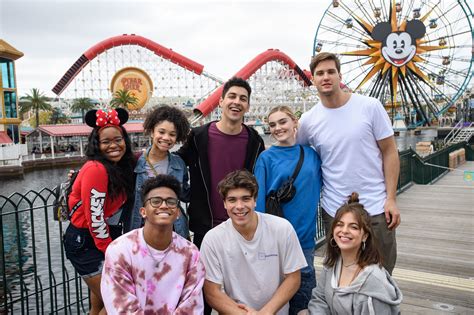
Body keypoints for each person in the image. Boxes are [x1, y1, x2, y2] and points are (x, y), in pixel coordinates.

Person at [297, 52, 401, 274]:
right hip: (335, 209)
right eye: (320, 73)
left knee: (382, 273)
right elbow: (299, 156)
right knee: (341, 274)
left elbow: (390, 151)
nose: (326, 77)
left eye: (331, 72)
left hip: (376, 206)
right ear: (313, 80)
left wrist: (391, 198)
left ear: (339, 76)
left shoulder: (370, 106)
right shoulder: (308, 121)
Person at [200, 170, 307, 315]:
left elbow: (293, 277)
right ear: (224, 203)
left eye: (245, 199)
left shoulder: (282, 228)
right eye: (232, 200)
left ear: (255, 200)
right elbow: (212, 292)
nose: (239, 206)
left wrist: (266, 312)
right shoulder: (212, 239)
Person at [62, 108, 135, 315]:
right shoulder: (96, 169)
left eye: (118, 139)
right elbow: (95, 219)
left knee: (100, 306)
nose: (113, 145)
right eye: (106, 142)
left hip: (104, 237)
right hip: (87, 242)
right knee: (119, 302)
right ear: (97, 145)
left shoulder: (121, 166)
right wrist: (111, 252)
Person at [177, 76, 265, 247]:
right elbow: (174, 164)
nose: (237, 102)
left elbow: (262, 176)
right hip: (205, 227)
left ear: (247, 106)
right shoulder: (197, 136)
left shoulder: (255, 141)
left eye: (243, 98)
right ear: (221, 101)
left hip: (242, 223)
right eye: (232, 96)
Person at [101, 175, 205, 313]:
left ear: (178, 213)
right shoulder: (120, 250)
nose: (164, 206)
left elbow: (192, 306)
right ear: (143, 211)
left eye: (171, 202)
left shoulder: (191, 253)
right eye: (156, 201)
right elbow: (122, 308)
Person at [254, 106, 322, 314]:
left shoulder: (311, 155)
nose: (277, 128)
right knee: (277, 294)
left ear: (295, 122)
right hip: (277, 238)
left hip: (305, 236)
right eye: (272, 124)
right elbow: (258, 201)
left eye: (282, 122)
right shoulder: (266, 158)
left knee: (305, 296)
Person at [306, 193, 402, 314]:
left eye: (353, 227)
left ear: (365, 236)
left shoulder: (374, 281)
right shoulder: (331, 264)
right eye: (340, 225)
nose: (344, 231)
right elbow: (320, 299)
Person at [125, 105, 191, 238]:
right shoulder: (135, 162)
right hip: (142, 228)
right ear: (152, 132)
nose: (166, 138)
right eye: (161, 132)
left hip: (174, 229)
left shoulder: (179, 163)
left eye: (172, 134)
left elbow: (184, 194)